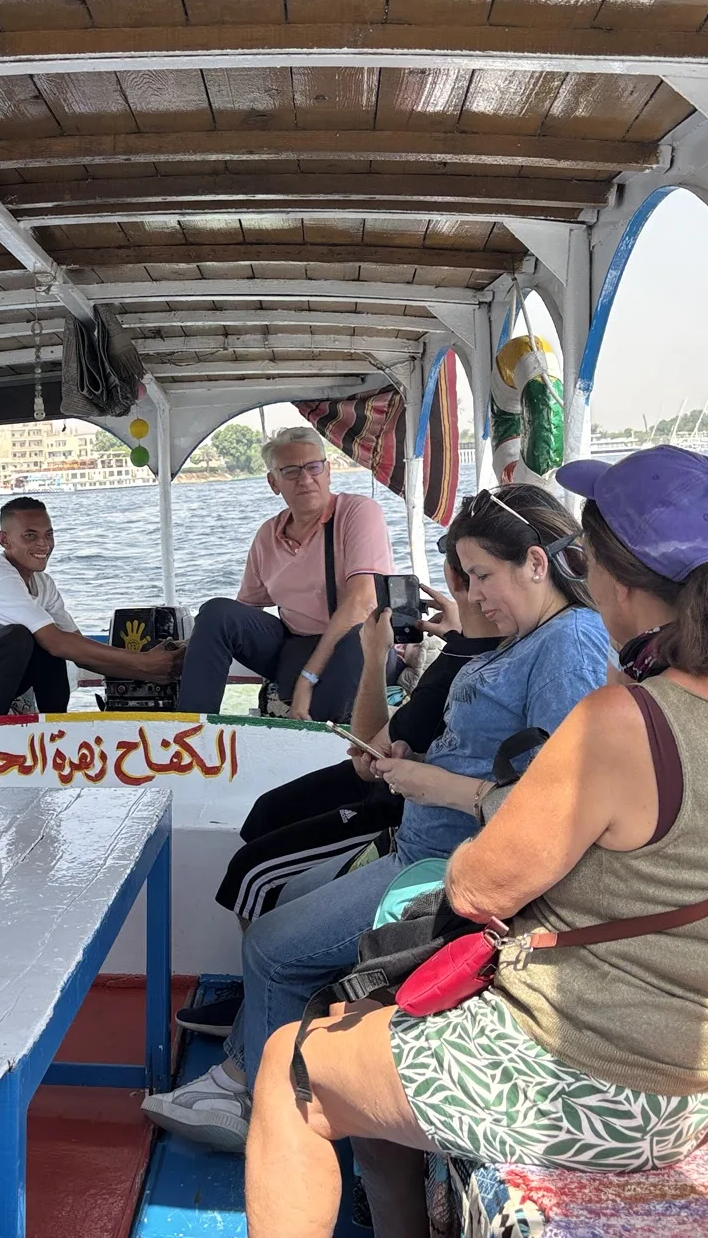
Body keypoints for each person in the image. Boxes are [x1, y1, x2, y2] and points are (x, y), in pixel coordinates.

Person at [244, 447, 708, 1238]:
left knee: (289, 1067)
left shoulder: (623, 720)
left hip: (605, 1081)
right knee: (358, 1024)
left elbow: (476, 889)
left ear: (615, 581)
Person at [144, 484, 611, 1152]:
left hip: (448, 873)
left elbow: (554, 804)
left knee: (272, 947)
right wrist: (417, 759)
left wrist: (437, 784)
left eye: (482, 576)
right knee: (286, 899)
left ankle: (261, 1107)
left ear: (537, 563)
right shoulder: (531, 635)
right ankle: (251, 1066)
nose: (474, 595)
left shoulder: (568, 644)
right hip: (419, 849)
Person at [182, 548, 502, 1034]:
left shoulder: (472, 662)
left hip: (392, 805)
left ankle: (260, 1000)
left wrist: (374, 658)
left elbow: (367, 751)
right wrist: (440, 638)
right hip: (386, 781)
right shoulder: (459, 650)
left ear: (455, 582)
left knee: (253, 875)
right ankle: (261, 994)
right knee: (267, 811)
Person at [176, 426, 393, 723]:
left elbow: (363, 602)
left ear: (328, 471)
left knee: (357, 639)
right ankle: (190, 730)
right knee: (217, 613)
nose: (305, 479)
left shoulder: (357, 512)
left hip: (356, 647)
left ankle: (319, 738)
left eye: (313, 467)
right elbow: (245, 612)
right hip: (295, 648)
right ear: (273, 482)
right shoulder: (269, 535)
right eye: (290, 471)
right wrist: (194, 646)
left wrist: (307, 678)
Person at [0, 496, 182, 717]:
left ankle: (55, 727)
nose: (44, 544)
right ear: (4, 540)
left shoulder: (43, 584)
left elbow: (77, 649)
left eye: (48, 534)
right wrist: (144, 662)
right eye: (30, 536)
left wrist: (152, 672)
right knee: (20, 636)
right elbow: (57, 643)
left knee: (49, 642)